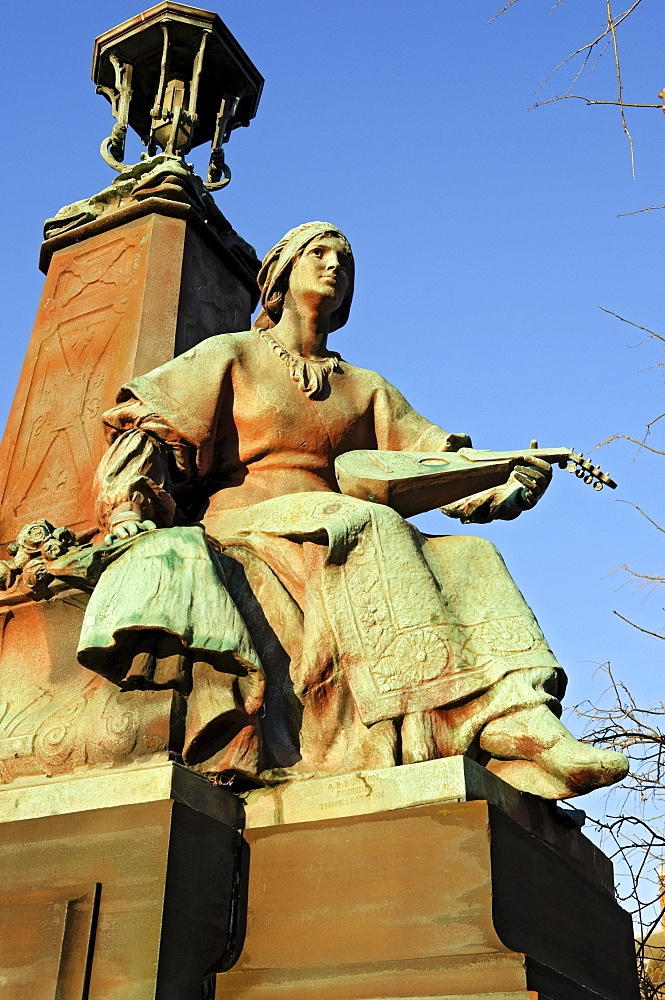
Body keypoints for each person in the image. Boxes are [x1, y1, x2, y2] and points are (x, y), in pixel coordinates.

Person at [79, 221, 628, 799]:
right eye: (318, 253)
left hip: (334, 521)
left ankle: (521, 723)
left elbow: (435, 462)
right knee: (369, 522)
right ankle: (461, 723)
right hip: (247, 518)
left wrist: (505, 483)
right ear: (281, 274)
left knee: (472, 555)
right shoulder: (233, 355)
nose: (334, 266)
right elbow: (154, 430)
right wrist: (128, 508)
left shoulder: (365, 387)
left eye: (345, 259)